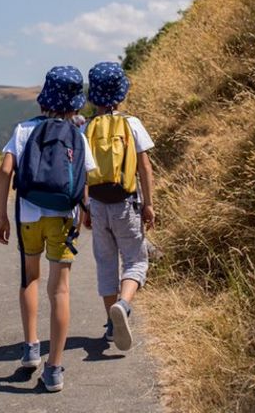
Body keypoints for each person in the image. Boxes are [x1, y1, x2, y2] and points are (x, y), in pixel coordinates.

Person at [0, 66, 96, 392]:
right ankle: (54, 368)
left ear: (44, 98)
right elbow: (85, 179)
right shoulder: (78, 136)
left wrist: (1, 216)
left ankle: (30, 348)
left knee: (30, 278)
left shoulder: (23, 130)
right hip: (63, 218)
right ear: (75, 105)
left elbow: (5, 170)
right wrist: (86, 211)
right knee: (60, 290)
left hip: (28, 215)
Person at [83, 61, 155, 351]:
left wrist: (85, 208)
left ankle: (111, 326)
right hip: (126, 203)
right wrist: (149, 204)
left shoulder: (87, 127)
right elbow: (144, 168)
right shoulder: (132, 123)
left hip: (98, 205)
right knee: (136, 260)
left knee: (105, 263)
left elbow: (82, 172)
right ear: (121, 93)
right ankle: (123, 306)